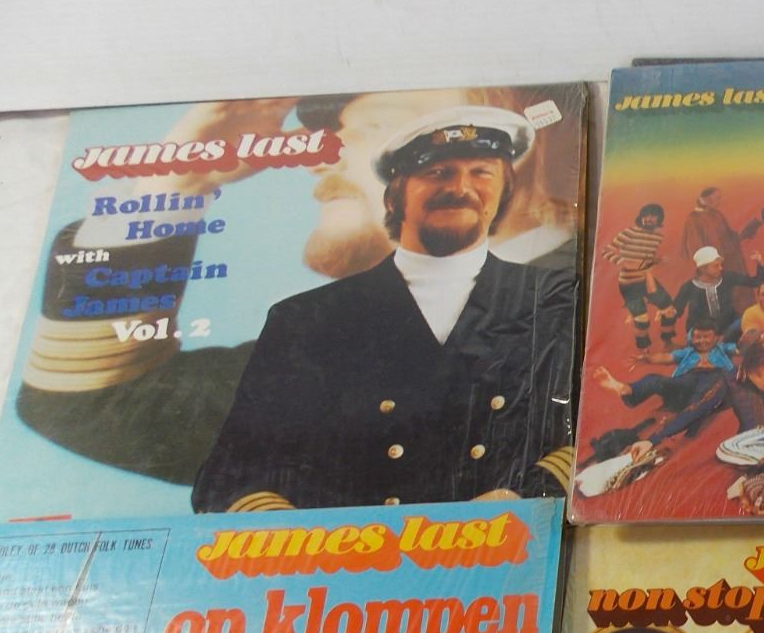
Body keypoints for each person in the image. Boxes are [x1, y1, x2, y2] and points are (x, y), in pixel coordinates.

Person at [17, 86, 581, 496]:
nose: (322, 158)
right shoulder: (322, 342)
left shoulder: (609, 306)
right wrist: (175, 180)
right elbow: (86, 405)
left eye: (375, 128)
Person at [192, 105, 576, 511]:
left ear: (504, 191)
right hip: (357, 547)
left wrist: (521, 498)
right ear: (396, 195)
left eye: (482, 172)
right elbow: (232, 475)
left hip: (509, 540)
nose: (461, 187)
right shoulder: (306, 319)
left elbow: (599, 436)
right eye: (438, 172)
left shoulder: (557, 299)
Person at [588, 323, 736, 444]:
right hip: (683, 383)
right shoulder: (688, 352)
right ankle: (626, 390)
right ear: (692, 338)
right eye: (697, 337)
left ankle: (680, 423)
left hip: (710, 382)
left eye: (706, 337)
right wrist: (649, 359)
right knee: (655, 379)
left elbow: (739, 348)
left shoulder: (723, 349)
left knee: (698, 403)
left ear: (716, 338)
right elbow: (666, 357)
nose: (701, 341)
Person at [602, 203, 678, 354]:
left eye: (653, 216)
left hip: (647, 281)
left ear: (659, 219)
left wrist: (656, 261)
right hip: (629, 284)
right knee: (641, 319)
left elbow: (644, 260)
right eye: (646, 215)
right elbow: (606, 251)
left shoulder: (657, 237)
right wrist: (623, 262)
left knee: (669, 310)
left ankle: (667, 343)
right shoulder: (628, 233)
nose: (649, 219)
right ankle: (643, 350)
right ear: (641, 217)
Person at [671, 246, 764, 338]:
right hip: (701, 332)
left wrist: (761, 263)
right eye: (716, 266)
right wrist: (670, 312)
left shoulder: (728, 277)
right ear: (703, 269)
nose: (720, 268)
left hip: (729, 326)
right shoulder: (689, 287)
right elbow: (676, 309)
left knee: (745, 325)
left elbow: (754, 282)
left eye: (720, 265)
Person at [681, 187, 752, 278]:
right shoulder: (693, 219)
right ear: (707, 200)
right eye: (717, 198)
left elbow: (728, 236)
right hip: (713, 266)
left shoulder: (717, 215)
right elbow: (696, 248)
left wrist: (743, 235)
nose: (719, 202)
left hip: (727, 262)